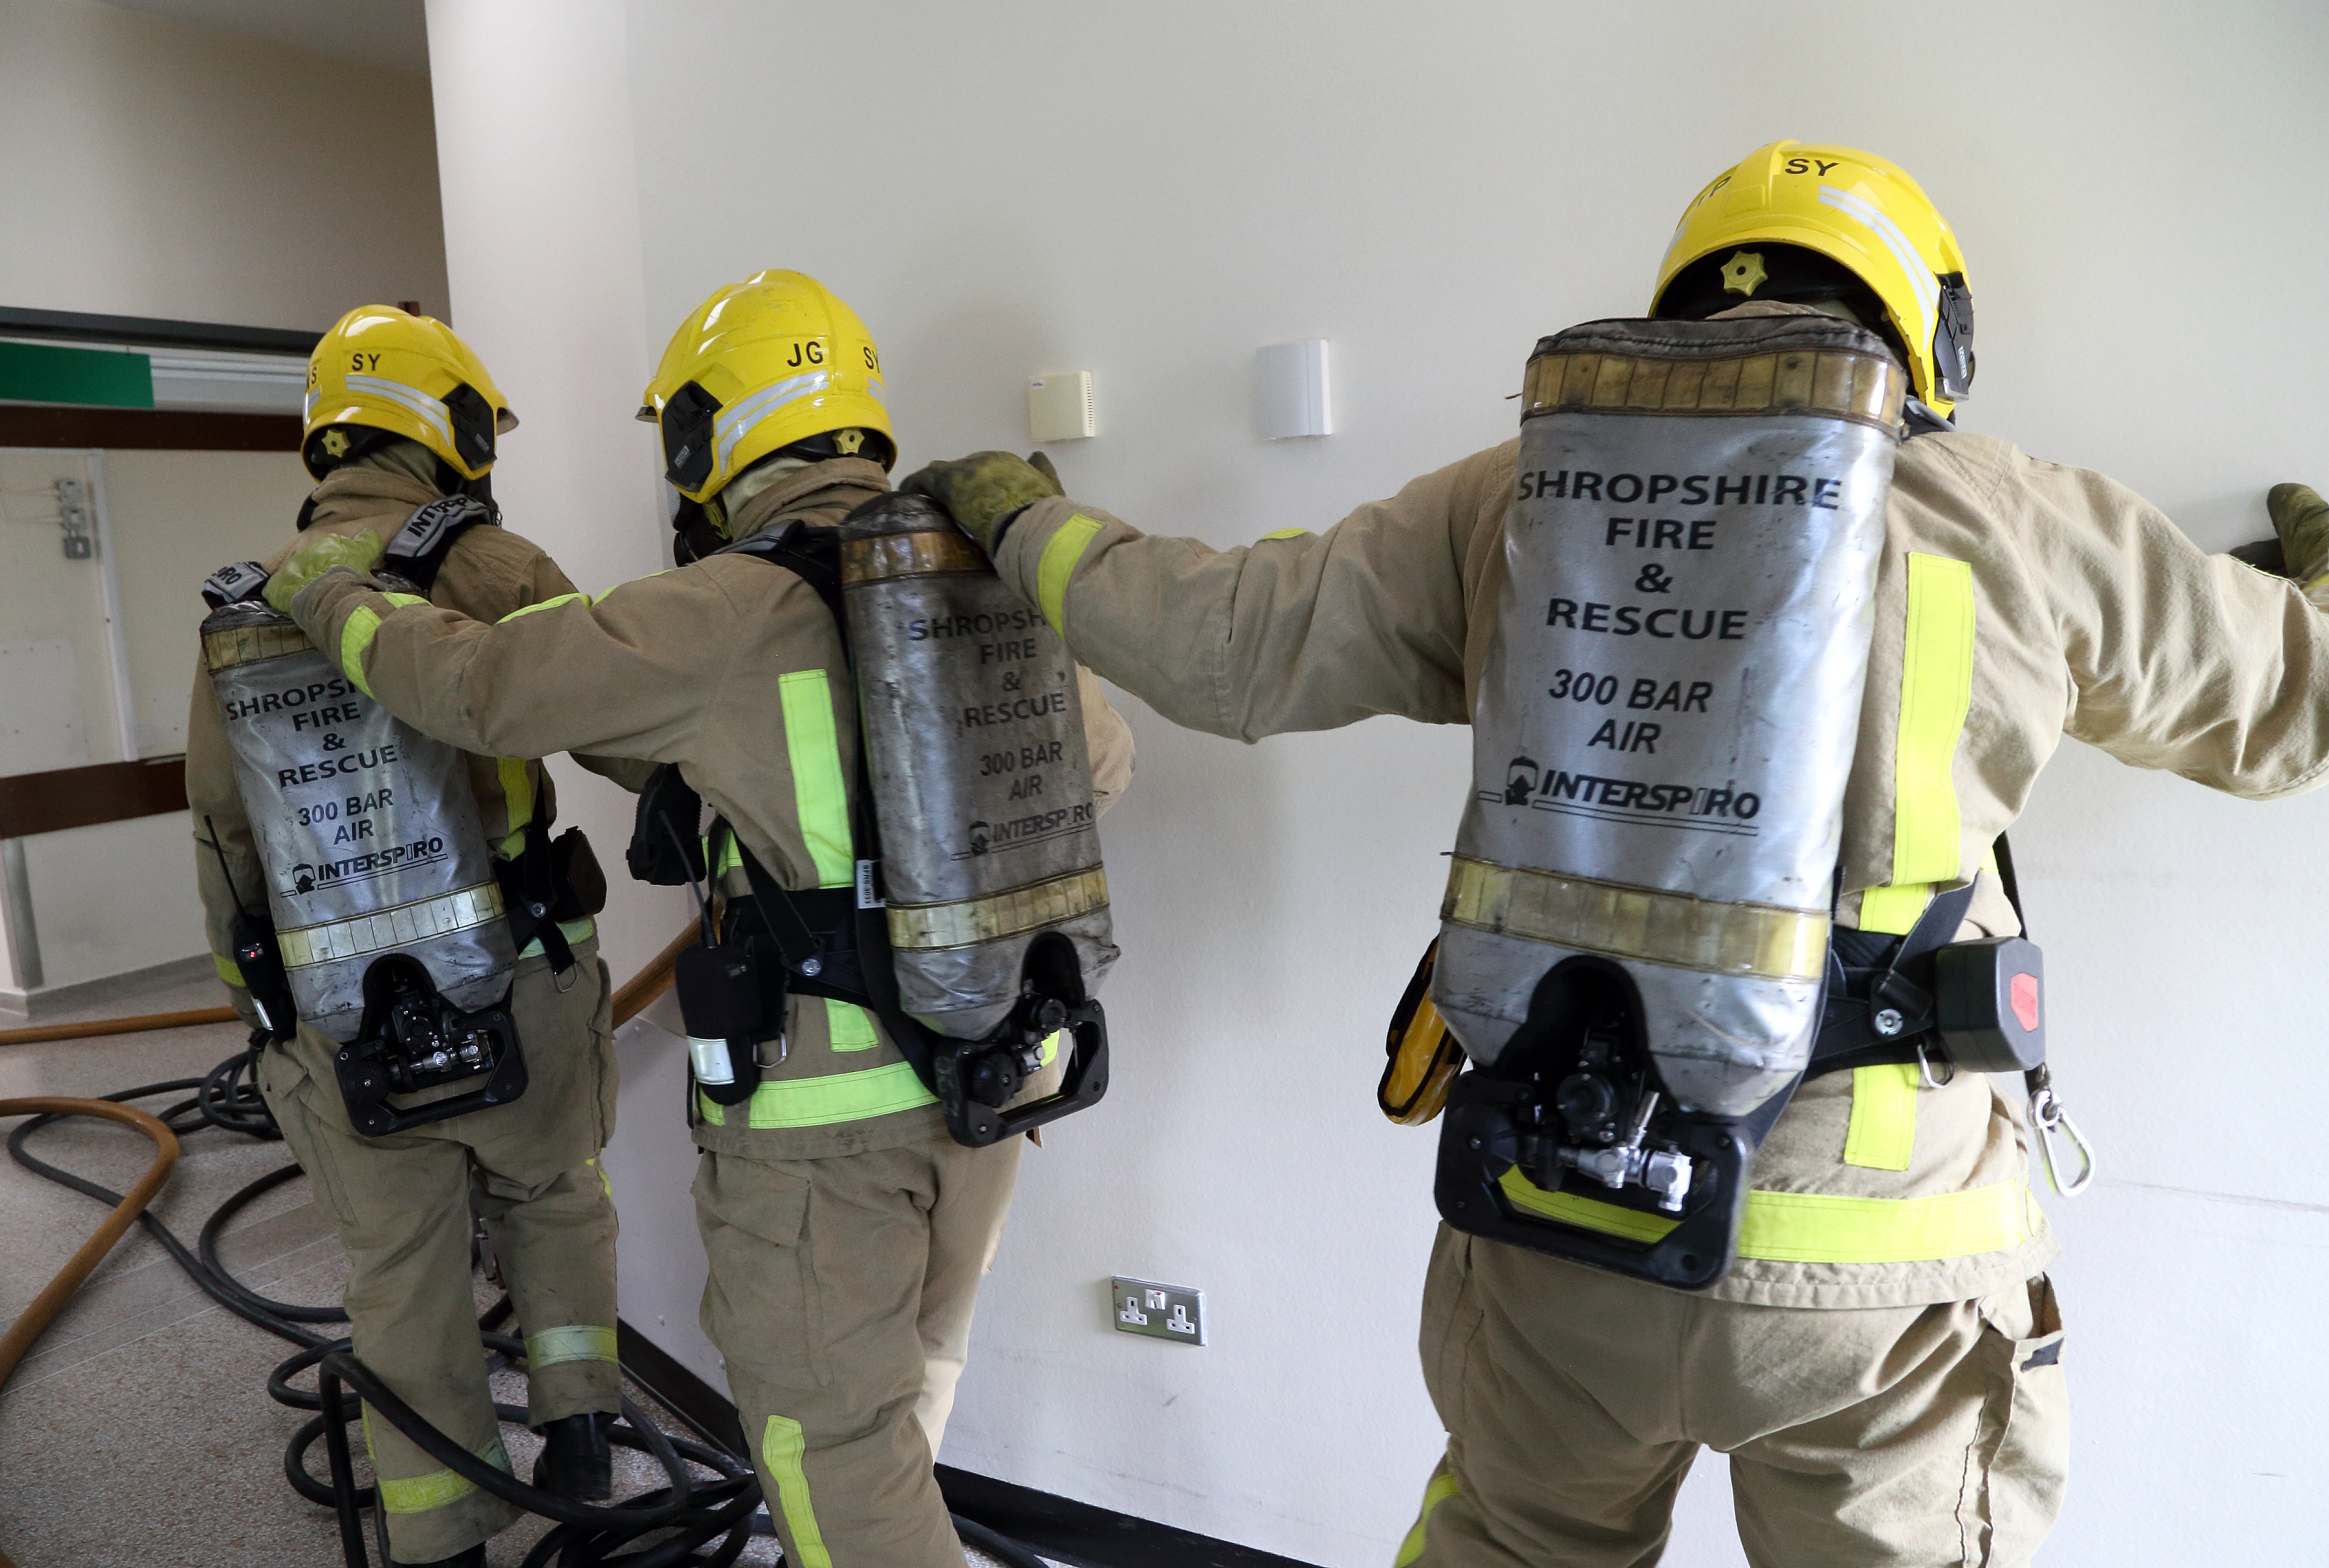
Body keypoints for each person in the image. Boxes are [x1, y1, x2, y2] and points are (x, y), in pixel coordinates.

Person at [897, 141, 2329, 1567]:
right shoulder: (2012, 515)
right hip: (1871, 1276)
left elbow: (1218, 647)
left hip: (1557, 1208)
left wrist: (1022, 518)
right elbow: (2290, 712)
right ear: (1925, 329)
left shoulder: (1515, 493)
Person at [261, 271, 1134, 1568]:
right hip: (992, 1079)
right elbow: (1102, 764)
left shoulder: (721, 608)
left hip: (819, 1132)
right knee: (909, 1383)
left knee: (822, 1444)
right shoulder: (981, 574)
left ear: (706, 437)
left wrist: (330, 593)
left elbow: (485, 688)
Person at [187, 306, 627, 1568]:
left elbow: (222, 830)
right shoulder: (491, 566)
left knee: (400, 1269)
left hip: (337, 1021)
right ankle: (582, 1447)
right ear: (456, 427)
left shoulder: (244, 602)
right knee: (552, 1202)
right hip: (521, 982)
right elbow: (622, 716)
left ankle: (441, 1543)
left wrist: (266, 1023)